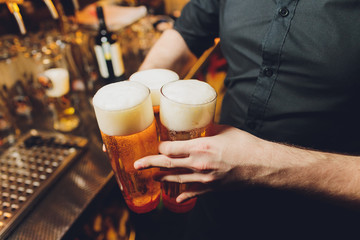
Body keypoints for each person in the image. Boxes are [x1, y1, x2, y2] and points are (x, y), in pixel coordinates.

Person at [133, 0, 360, 239]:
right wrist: (136, 95)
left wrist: (261, 162)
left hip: (319, 221)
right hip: (215, 203)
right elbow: (187, 33)